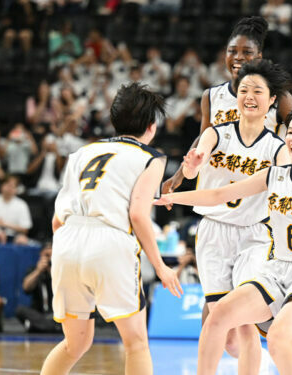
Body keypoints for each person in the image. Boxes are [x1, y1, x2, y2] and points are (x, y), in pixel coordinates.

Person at [156, 101, 292, 375]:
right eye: (290, 132)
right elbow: (219, 195)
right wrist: (172, 197)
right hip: (278, 268)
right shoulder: (274, 175)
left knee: (279, 340)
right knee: (218, 315)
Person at [40, 83, 183, 375]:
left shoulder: (82, 152)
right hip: (109, 242)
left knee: (74, 343)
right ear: (151, 126)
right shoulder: (151, 157)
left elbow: (56, 219)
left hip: (67, 240)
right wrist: (160, 267)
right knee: (136, 343)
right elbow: (138, 215)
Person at [174, 59, 292, 375]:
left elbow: (290, 182)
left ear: (271, 101)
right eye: (243, 90)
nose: (249, 96)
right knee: (226, 332)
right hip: (212, 232)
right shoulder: (216, 133)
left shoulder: (277, 147)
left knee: (245, 323)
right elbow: (192, 165)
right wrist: (192, 165)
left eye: (257, 91)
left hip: (254, 235)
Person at [163, 16, 292, 195]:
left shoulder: (279, 97)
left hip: (259, 195)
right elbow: (204, 139)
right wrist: (179, 175)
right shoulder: (211, 96)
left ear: (259, 56)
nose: (238, 57)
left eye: (247, 52)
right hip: (216, 190)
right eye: (232, 51)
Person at [16, 242, 61, 333]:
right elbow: (26, 287)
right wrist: (38, 271)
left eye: (53, 255)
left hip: (57, 314)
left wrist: (52, 271)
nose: (50, 259)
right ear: (41, 255)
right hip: (39, 314)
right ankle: (52, 328)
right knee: (20, 310)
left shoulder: (61, 270)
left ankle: (40, 327)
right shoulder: (34, 270)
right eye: (47, 255)